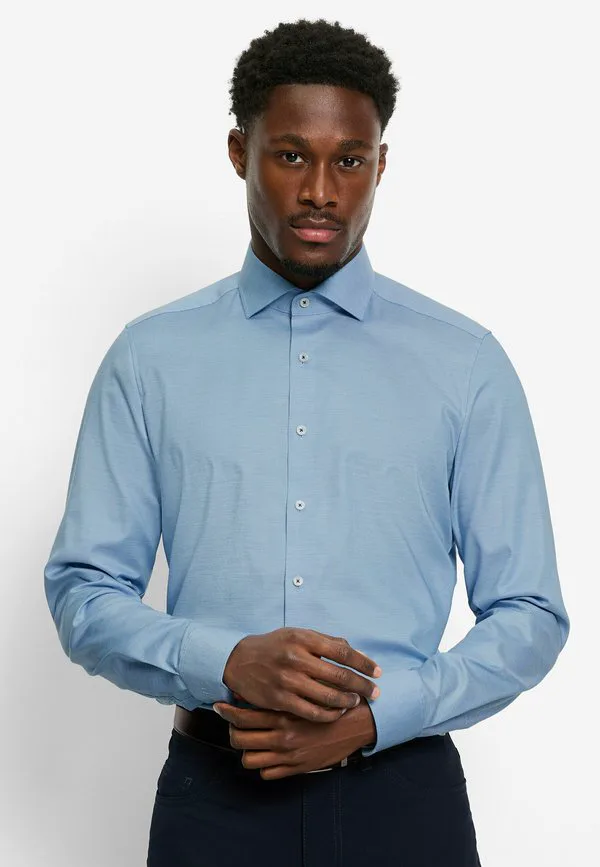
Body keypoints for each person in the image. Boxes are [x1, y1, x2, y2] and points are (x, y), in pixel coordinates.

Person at [43, 17, 570, 867]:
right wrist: (225, 661)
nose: (321, 190)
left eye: (348, 161)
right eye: (291, 155)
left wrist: (374, 720)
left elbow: (530, 612)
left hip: (406, 802)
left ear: (380, 165)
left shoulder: (465, 363)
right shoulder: (149, 359)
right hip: (214, 806)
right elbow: (83, 590)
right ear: (239, 152)